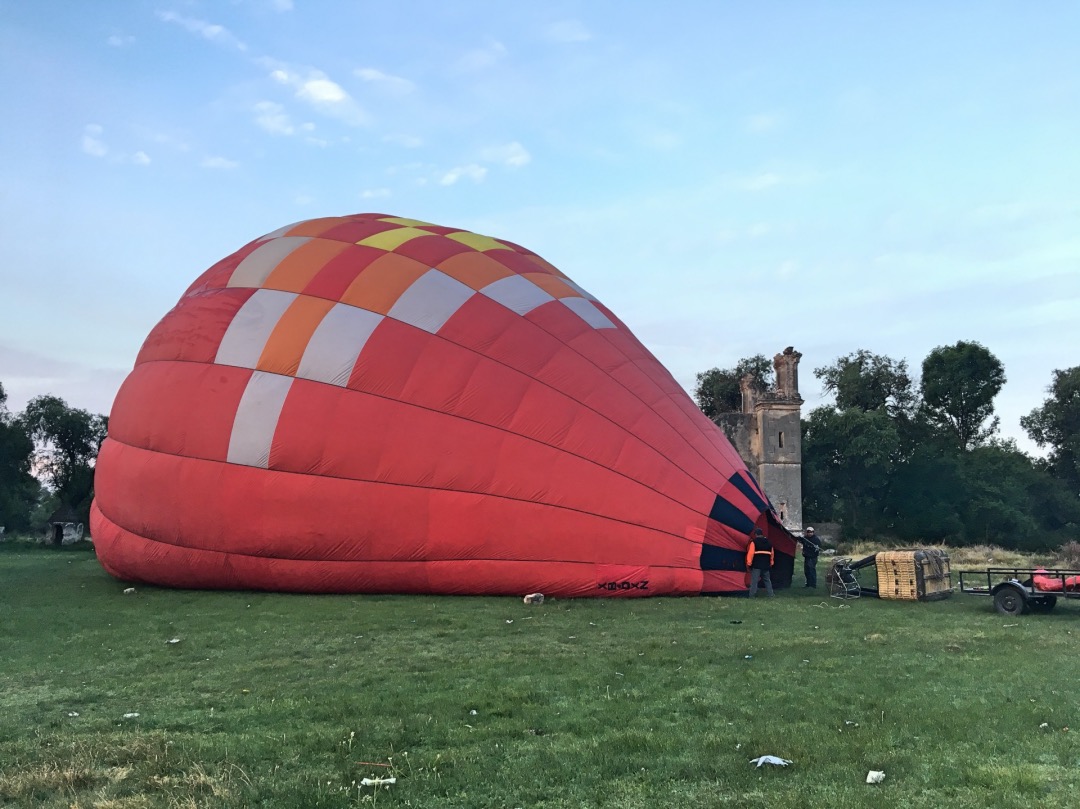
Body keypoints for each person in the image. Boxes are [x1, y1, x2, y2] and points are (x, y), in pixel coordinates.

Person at [745, 527, 774, 597]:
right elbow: (772, 554)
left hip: (756, 565)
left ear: (756, 534)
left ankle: (752, 595)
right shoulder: (769, 543)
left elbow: (751, 553)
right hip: (766, 565)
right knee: (767, 580)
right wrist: (771, 562)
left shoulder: (754, 542)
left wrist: (749, 563)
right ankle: (771, 594)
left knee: (754, 581)